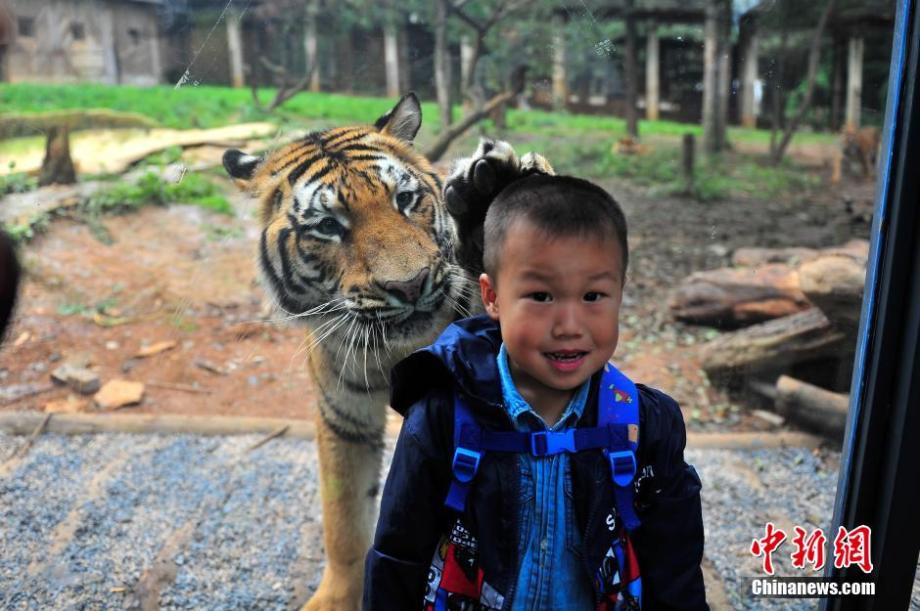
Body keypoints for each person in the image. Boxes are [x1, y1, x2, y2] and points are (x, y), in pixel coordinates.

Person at [364, 174, 708, 610]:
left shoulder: (645, 425)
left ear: (621, 291)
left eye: (593, 295)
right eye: (541, 295)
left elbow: (674, 565)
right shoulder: (442, 419)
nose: (568, 325)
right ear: (492, 297)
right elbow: (397, 556)